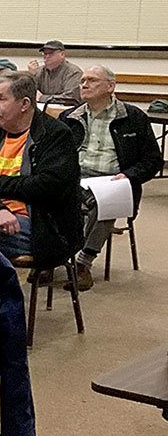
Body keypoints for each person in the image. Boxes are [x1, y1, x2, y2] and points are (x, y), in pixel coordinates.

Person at [0, 70, 81, 270]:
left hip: (43, 226)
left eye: (1, 99)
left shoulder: (55, 135)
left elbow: (48, 186)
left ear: (25, 104)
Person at [60, 66, 161, 290]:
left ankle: (82, 263)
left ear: (110, 86)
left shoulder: (132, 117)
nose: (84, 84)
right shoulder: (69, 117)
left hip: (113, 180)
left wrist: (128, 176)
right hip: (74, 179)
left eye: (92, 80)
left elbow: (153, 160)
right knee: (44, 194)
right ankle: (54, 257)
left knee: (105, 202)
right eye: (83, 80)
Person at [27, 40, 83, 107]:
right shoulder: (39, 71)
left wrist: (42, 98)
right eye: (45, 53)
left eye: (51, 53)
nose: (47, 56)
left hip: (66, 112)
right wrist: (31, 75)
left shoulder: (73, 72)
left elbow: (70, 98)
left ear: (62, 54)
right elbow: (28, 93)